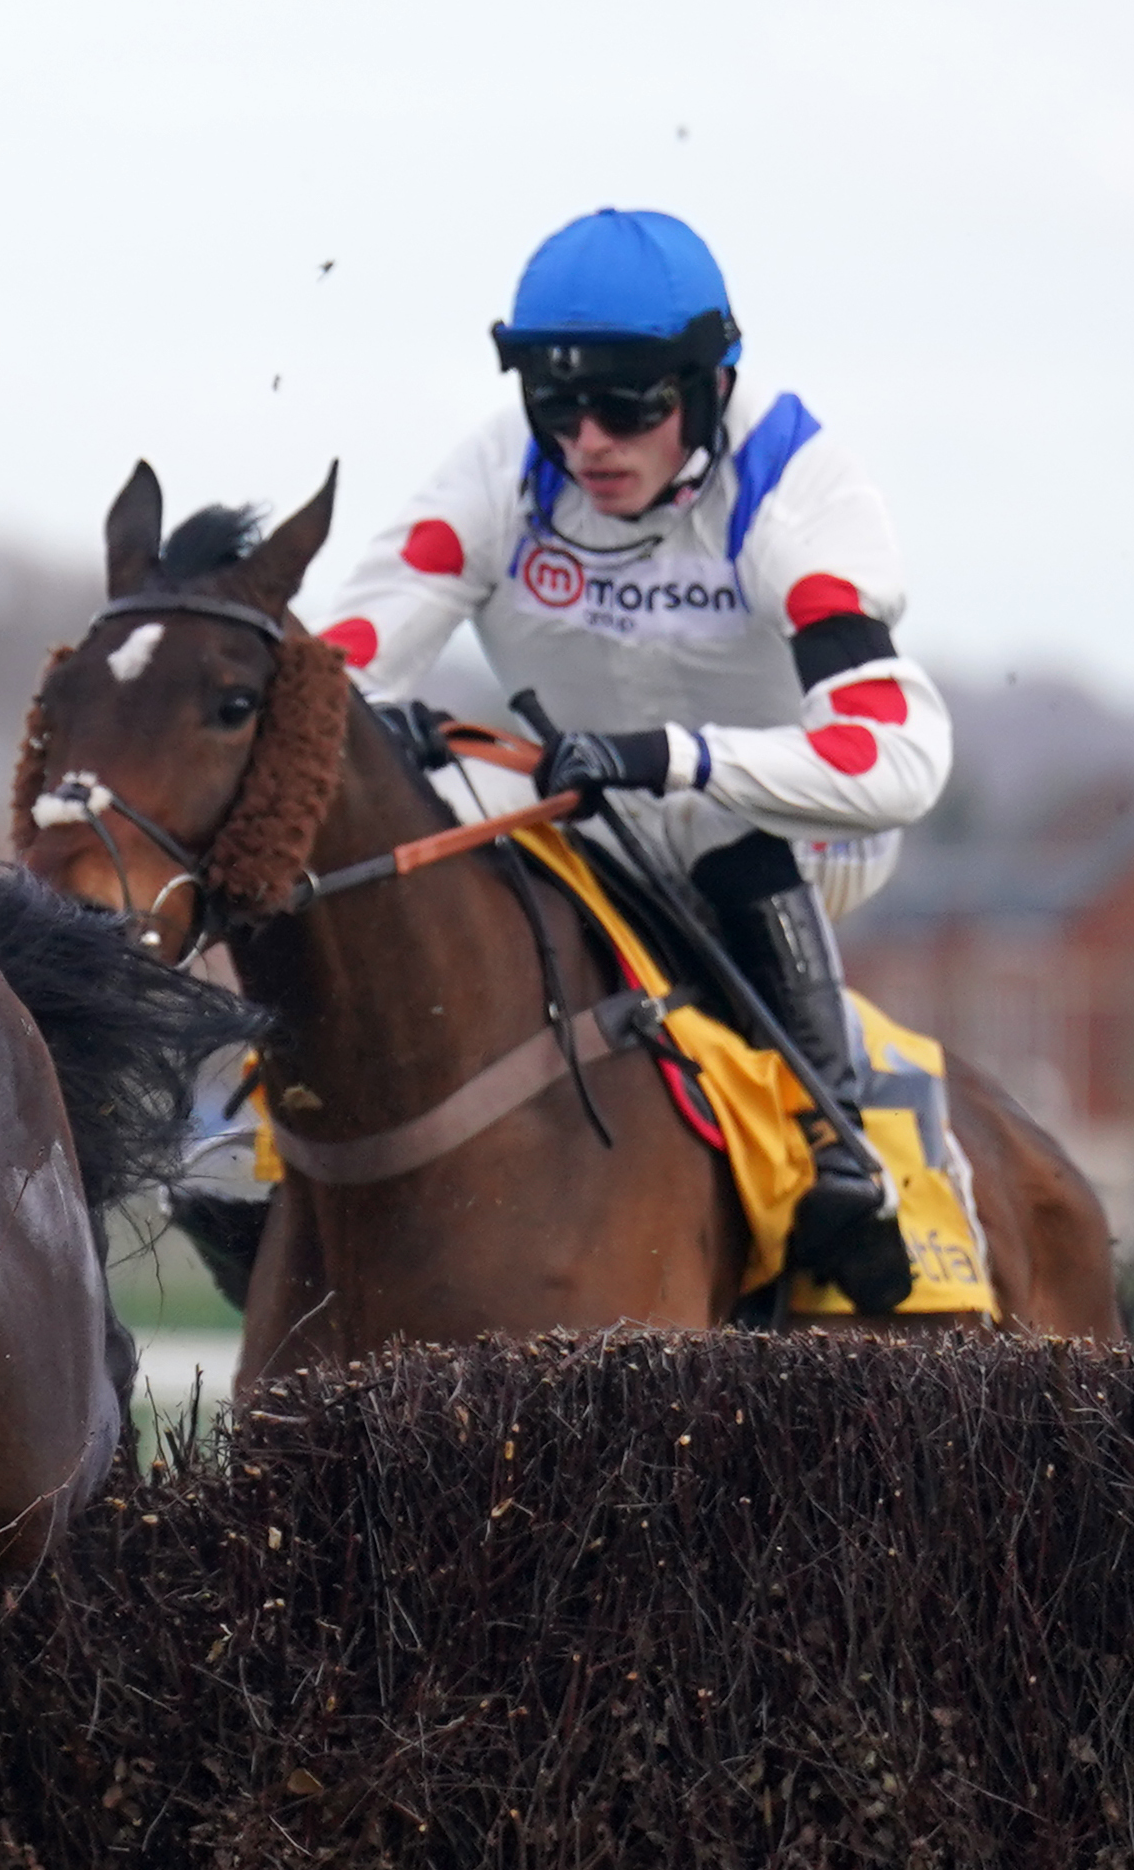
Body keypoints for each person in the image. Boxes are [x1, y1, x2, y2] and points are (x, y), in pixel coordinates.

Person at [297, 206, 948, 1308]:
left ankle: (836, 1137)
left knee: (714, 830)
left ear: (707, 383)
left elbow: (896, 755)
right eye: (557, 402)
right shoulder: (502, 470)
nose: (588, 441)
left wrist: (673, 757)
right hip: (575, 795)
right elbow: (338, 673)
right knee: (418, 809)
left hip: (797, 820)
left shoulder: (797, 486)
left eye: (627, 403)